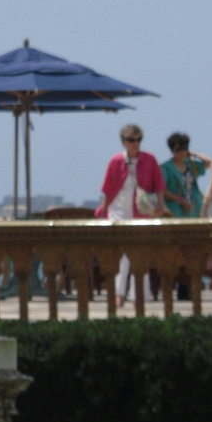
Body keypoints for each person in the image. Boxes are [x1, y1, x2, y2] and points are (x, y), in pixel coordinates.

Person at [95, 123, 165, 306]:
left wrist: (161, 205)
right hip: (118, 210)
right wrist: (103, 210)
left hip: (141, 211)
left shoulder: (149, 159)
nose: (136, 143)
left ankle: (138, 294)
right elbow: (107, 188)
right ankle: (119, 293)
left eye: (138, 139)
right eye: (131, 140)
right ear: (124, 142)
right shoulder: (116, 161)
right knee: (122, 254)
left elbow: (159, 185)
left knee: (140, 252)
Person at [160, 132, 212, 218]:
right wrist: (180, 200)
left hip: (195, 210)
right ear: (172, 150)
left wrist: (193, 154)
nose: (181, 152)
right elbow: (162, 190)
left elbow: (209, 163)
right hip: (175, 211)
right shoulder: (166, 168)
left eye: (184, 149)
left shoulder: (191, 165)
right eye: (178, 150)